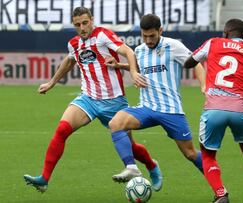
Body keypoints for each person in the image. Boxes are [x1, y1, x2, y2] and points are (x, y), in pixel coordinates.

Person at [23, 7, 162, 193]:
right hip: (88, 99)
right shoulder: (74, 43)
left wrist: (134, 72)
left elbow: (128, 51)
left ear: (92, 20)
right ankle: (44, 179)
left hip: (114, 101)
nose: (82, 28)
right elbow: (70, 60)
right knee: (62, 129)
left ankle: (152, 166)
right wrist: (52, 82)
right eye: (77, 25)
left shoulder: (103, 35)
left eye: (85, 23)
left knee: (132, 147)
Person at [106, 14, 205, 187]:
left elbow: (196, 63)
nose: (148, 40)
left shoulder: (173, 46)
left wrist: (204, 86)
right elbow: (138, 67)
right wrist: (119, 66)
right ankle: (131, 167)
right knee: (115, 123)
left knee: (190, 153)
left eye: (152, 36)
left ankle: (218, 184)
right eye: (144, 36)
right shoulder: (139, 50)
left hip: (171, 110)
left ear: (160, 30)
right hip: (147, 108)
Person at [184, 19, 243, 203]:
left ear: (226, 32)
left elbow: (189, 63)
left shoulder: (213, 43)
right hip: (240, 111)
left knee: (208, 155)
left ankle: (220, 193)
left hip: (214, 109)